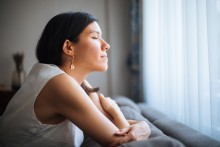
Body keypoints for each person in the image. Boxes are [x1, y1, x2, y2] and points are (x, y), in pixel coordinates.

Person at [0, 12, 150, 147]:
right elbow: (118, 139)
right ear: (69, 47)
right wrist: (117, 112)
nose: (106, 45)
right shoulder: (58, 83)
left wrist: (143, 125)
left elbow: (113, 127)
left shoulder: (74, 81)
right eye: (95, 37)